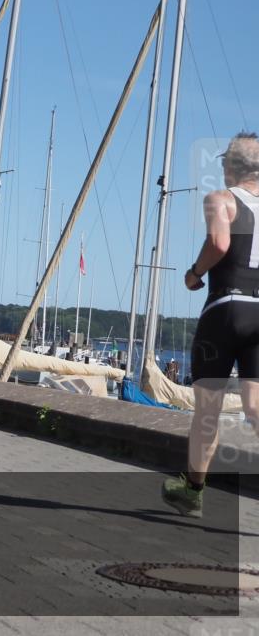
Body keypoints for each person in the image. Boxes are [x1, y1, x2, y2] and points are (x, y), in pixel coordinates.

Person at [162, 133, 259, 517]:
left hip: (225, 308)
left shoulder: (221, 199)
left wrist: (193, 273)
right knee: (255, 407)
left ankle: (192, 490)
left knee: (208, 409)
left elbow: (219, 244)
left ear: (231, 166)